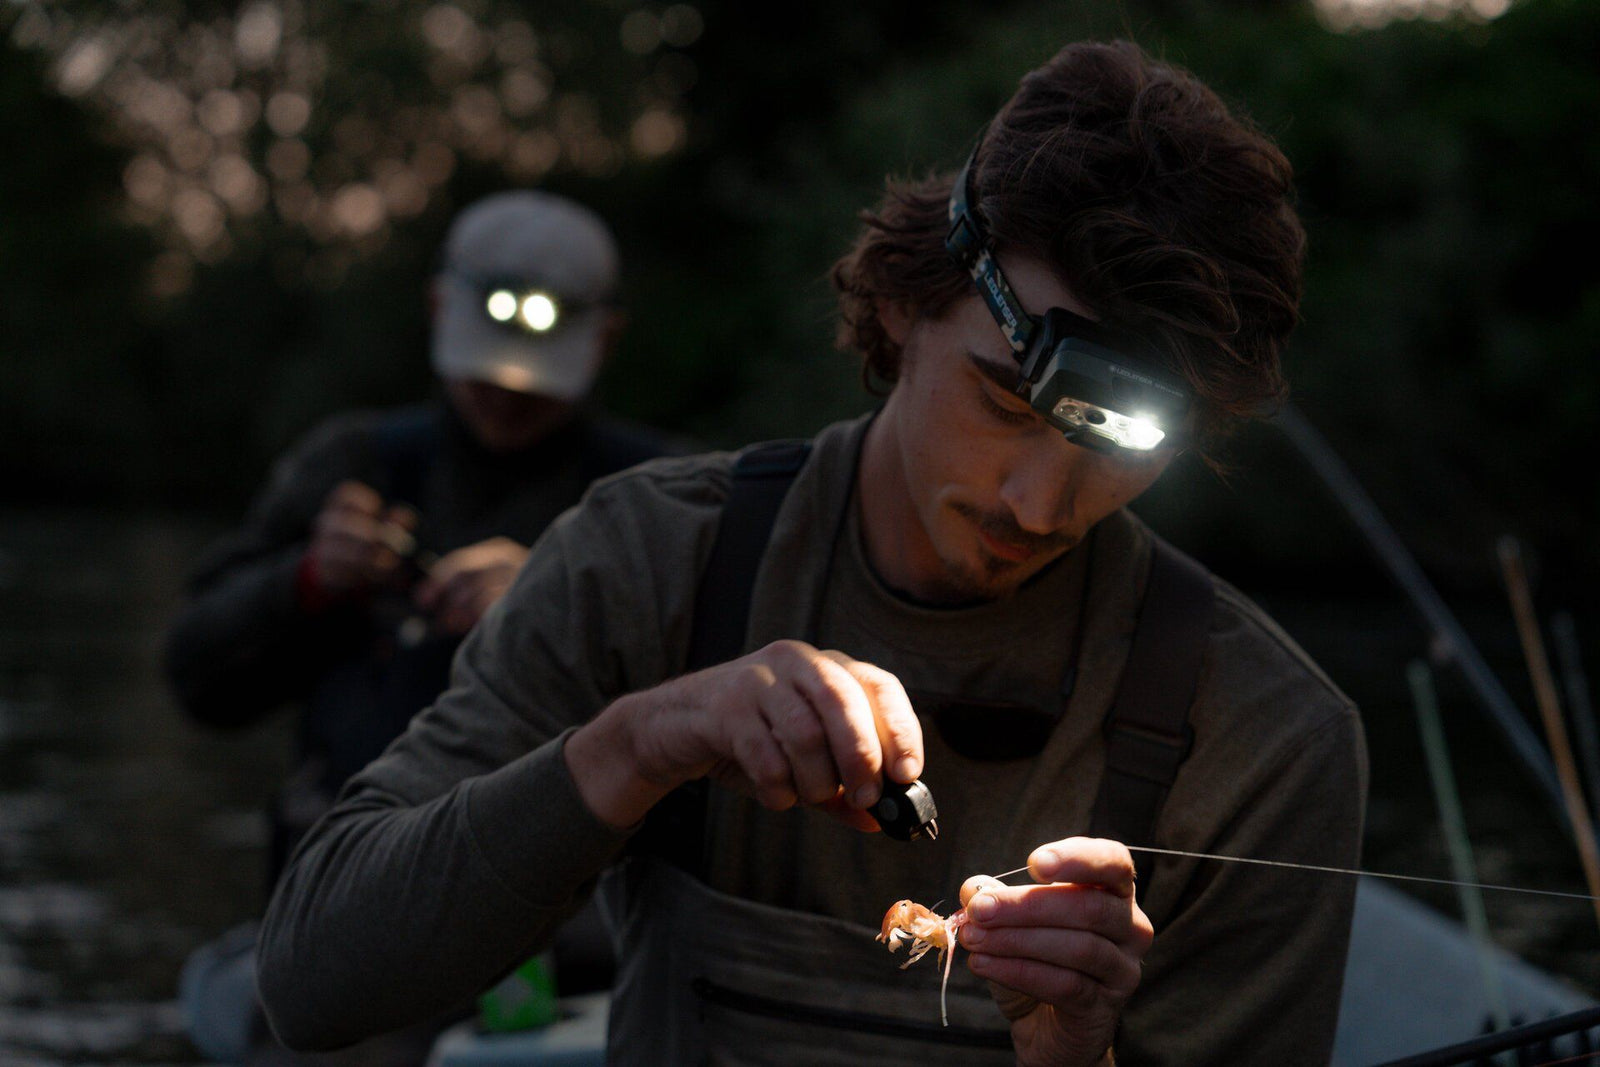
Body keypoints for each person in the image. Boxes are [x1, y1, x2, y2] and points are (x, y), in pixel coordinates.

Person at [255, 41, 1367, 1066]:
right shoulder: (647, 557)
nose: (1037, 501)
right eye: (1000, 396)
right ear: (900, 301)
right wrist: (644, 740)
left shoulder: (1262, 737)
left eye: (1116, 441)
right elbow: (311, 981)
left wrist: (1079, 1052)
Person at [166, 190, 677, 1064]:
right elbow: (197, 677)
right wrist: (306, 582)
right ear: (441, 311)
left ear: (606, 340)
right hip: (369, 912)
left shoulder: (660, 493)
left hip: (590, 924)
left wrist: (560, 601)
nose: (508, 400)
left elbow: (718, 702)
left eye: (534, 376)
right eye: (488, 368)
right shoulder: (354, 462)